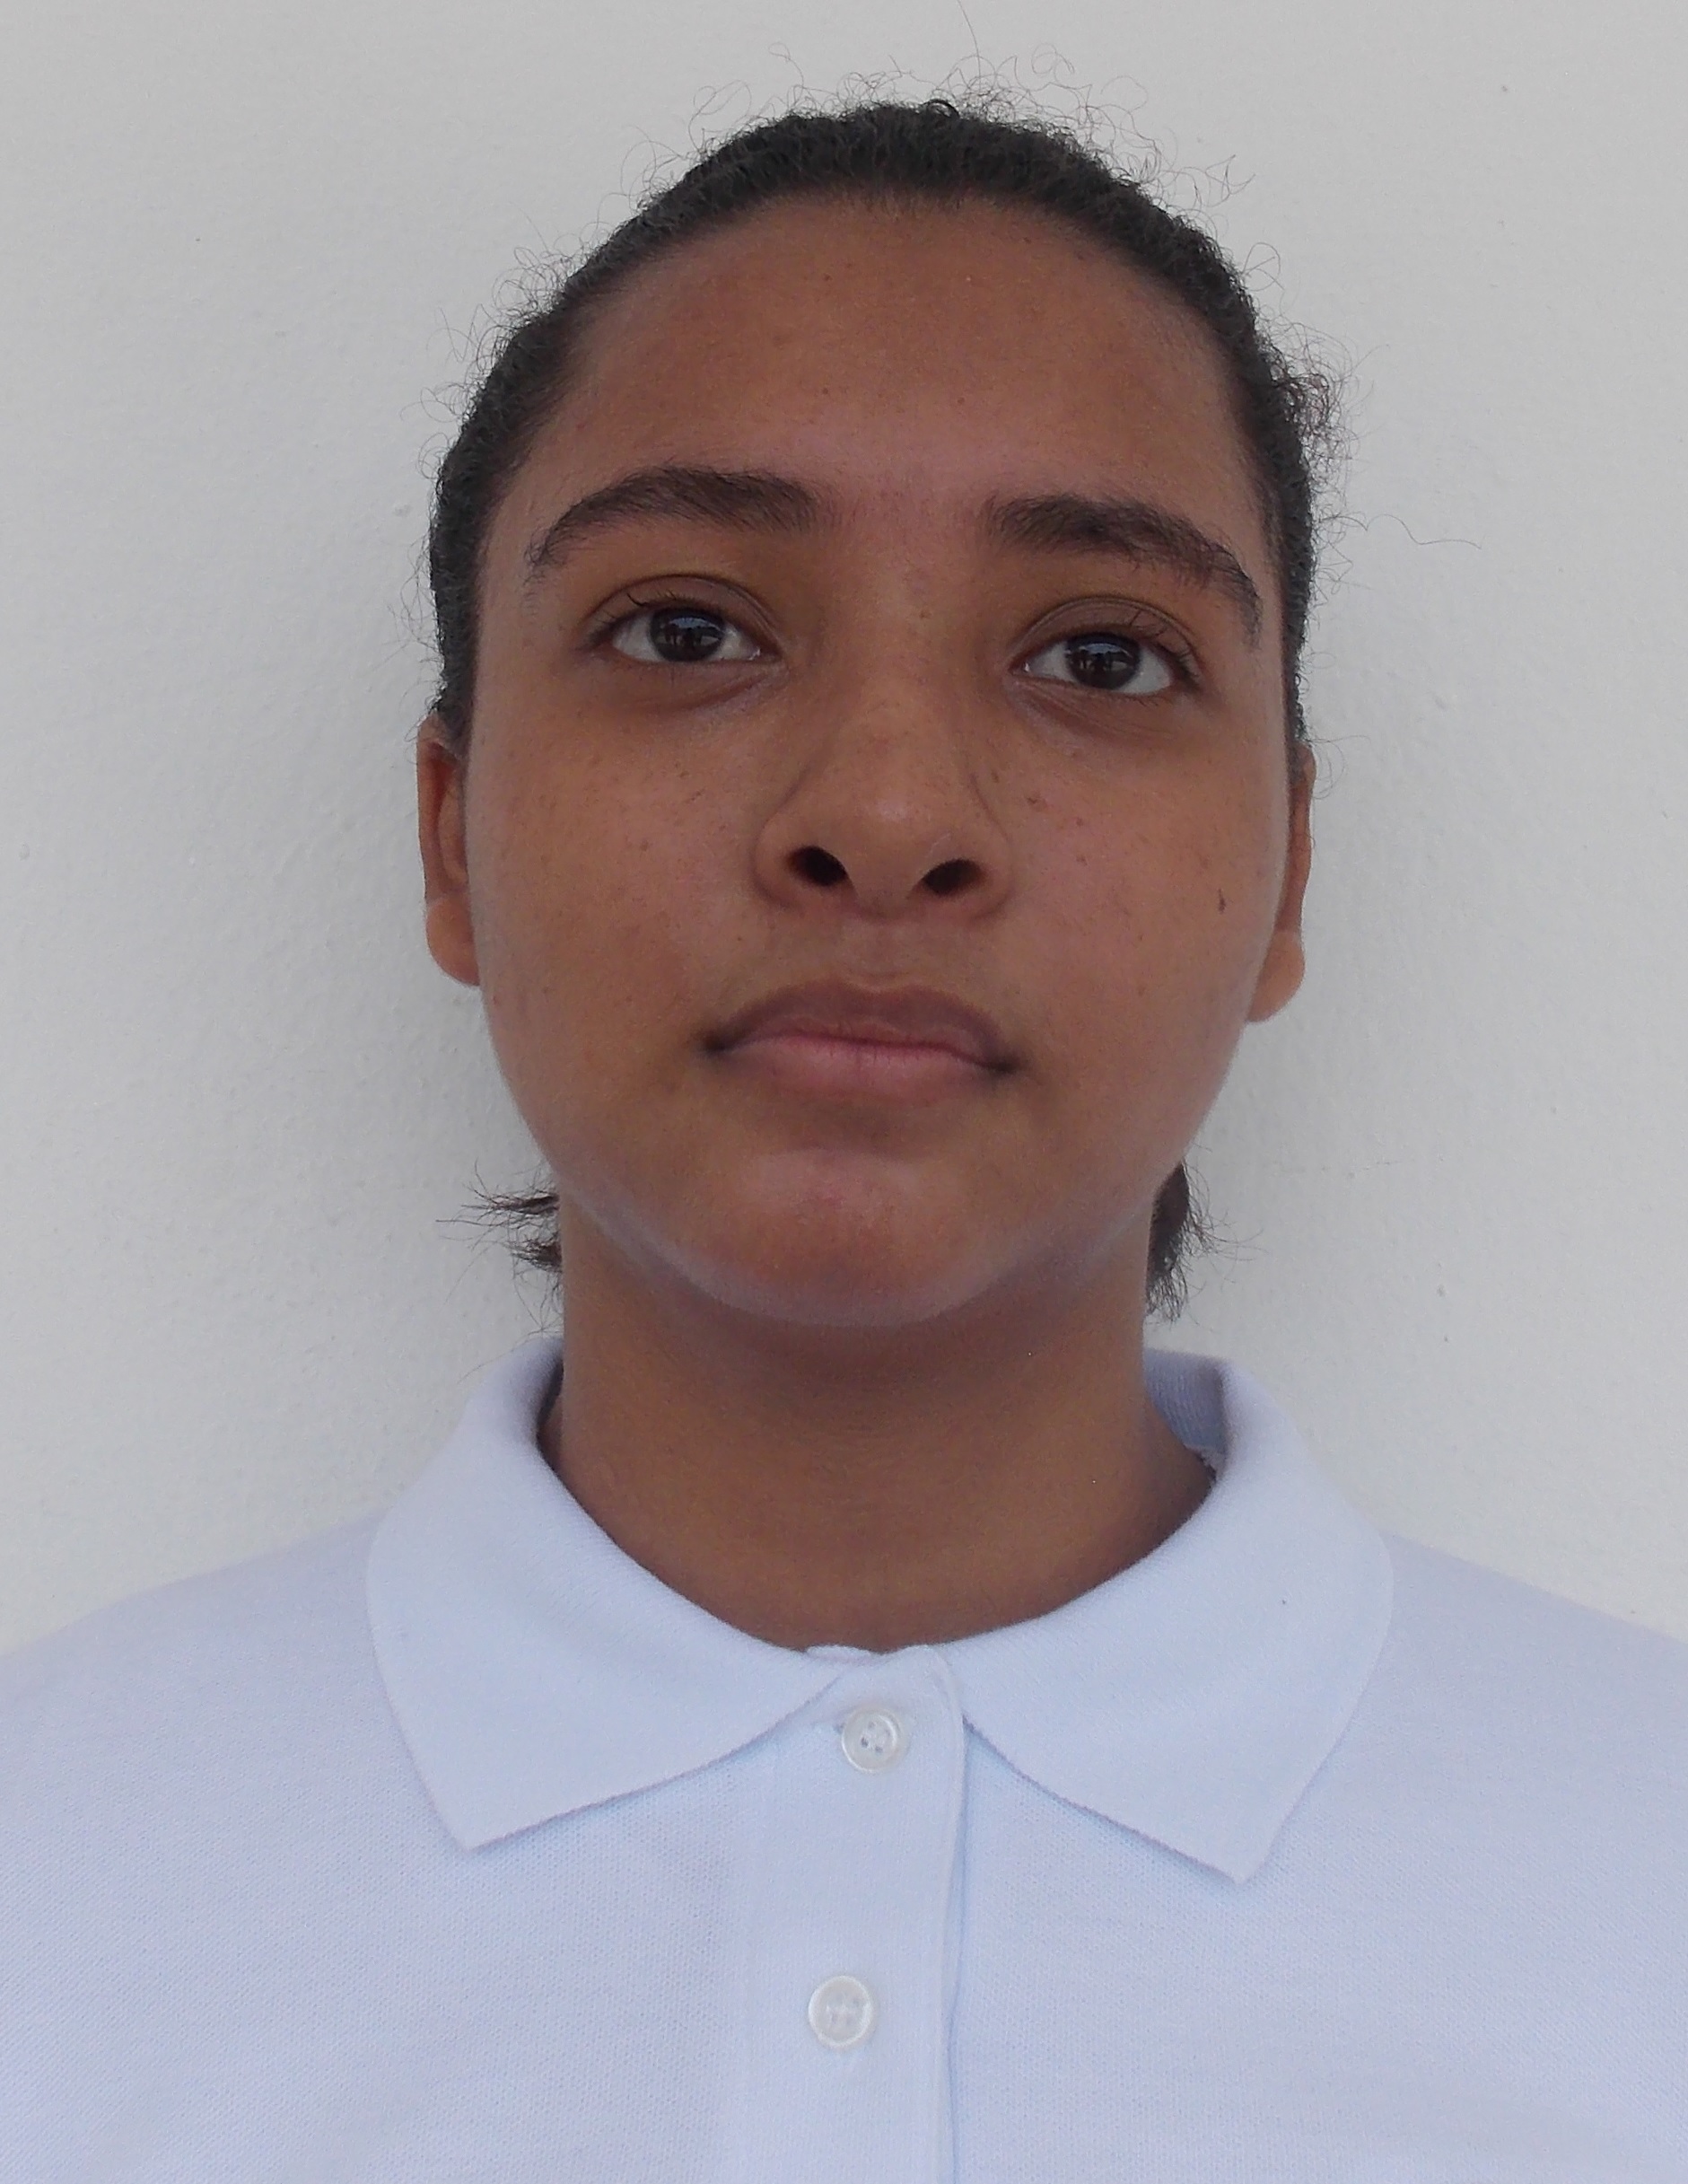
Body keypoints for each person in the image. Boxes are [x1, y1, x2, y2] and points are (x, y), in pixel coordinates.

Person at [4, 96, 1684, 2181]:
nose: (885, 814)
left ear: (1285, 869)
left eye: (1098, 654)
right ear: (450, 835)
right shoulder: (47, 1886)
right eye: (686, 630)